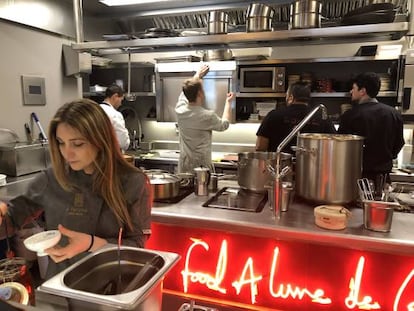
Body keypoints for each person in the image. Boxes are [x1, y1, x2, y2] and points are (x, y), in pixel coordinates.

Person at [0, 99, 152, 278]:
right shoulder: (52, 178)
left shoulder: (132, 181)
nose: (67, 153)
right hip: (60, 282)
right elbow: (13, 217)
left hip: (110, 284)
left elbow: (137, 247)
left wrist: (91, 243)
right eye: (61, 143)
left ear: (100, 140)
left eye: (77, 144)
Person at [338, 72, 404, 184]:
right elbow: (399, 143)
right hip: (383, 179)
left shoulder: (350, 115)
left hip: (357, 178)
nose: (351, 91)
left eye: (353, 88)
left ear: (363, 91)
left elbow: (340, 147)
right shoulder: (394, 114)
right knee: (380, 201)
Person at [175, 64, 234, 173]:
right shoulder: (207, 116)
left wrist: (198, 75)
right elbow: (224, 125)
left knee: (184, 189)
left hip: (184, 165)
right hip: (201, 167)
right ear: (200, 93)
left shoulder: (180, 109)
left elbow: (185, 93)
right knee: (201, 189)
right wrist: (228, 102)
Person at [256, 81, 336, 153]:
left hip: (280, 165)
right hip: (312, 166)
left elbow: (260, 147)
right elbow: (334, 144)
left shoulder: (274, 115)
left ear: (291, 97)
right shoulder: (322, 117)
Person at [101, 84, 130, 151]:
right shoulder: (115, 114)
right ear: (115, 96)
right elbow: (123, 143)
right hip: (109, 154)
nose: (121, 104)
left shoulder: (94, 110)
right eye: (121, 100)